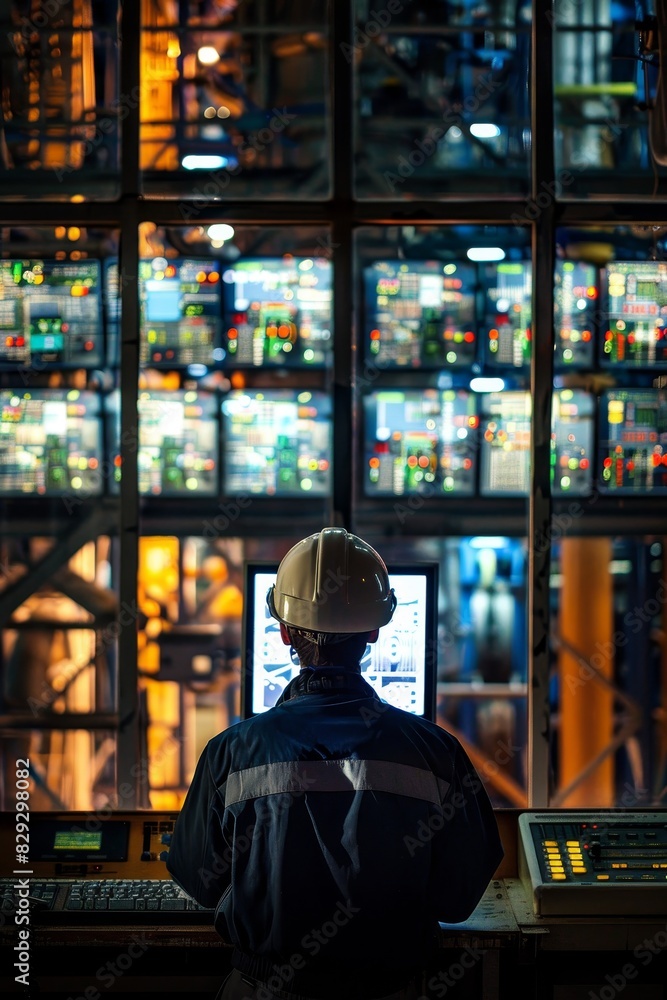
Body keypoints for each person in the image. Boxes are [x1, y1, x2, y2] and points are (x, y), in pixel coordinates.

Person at [167, 528, 503, 1000]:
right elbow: (458, 897)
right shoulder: (436, 753)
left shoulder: (231, 752)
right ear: (375, 629)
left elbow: (200, 882)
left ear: (282, 629)